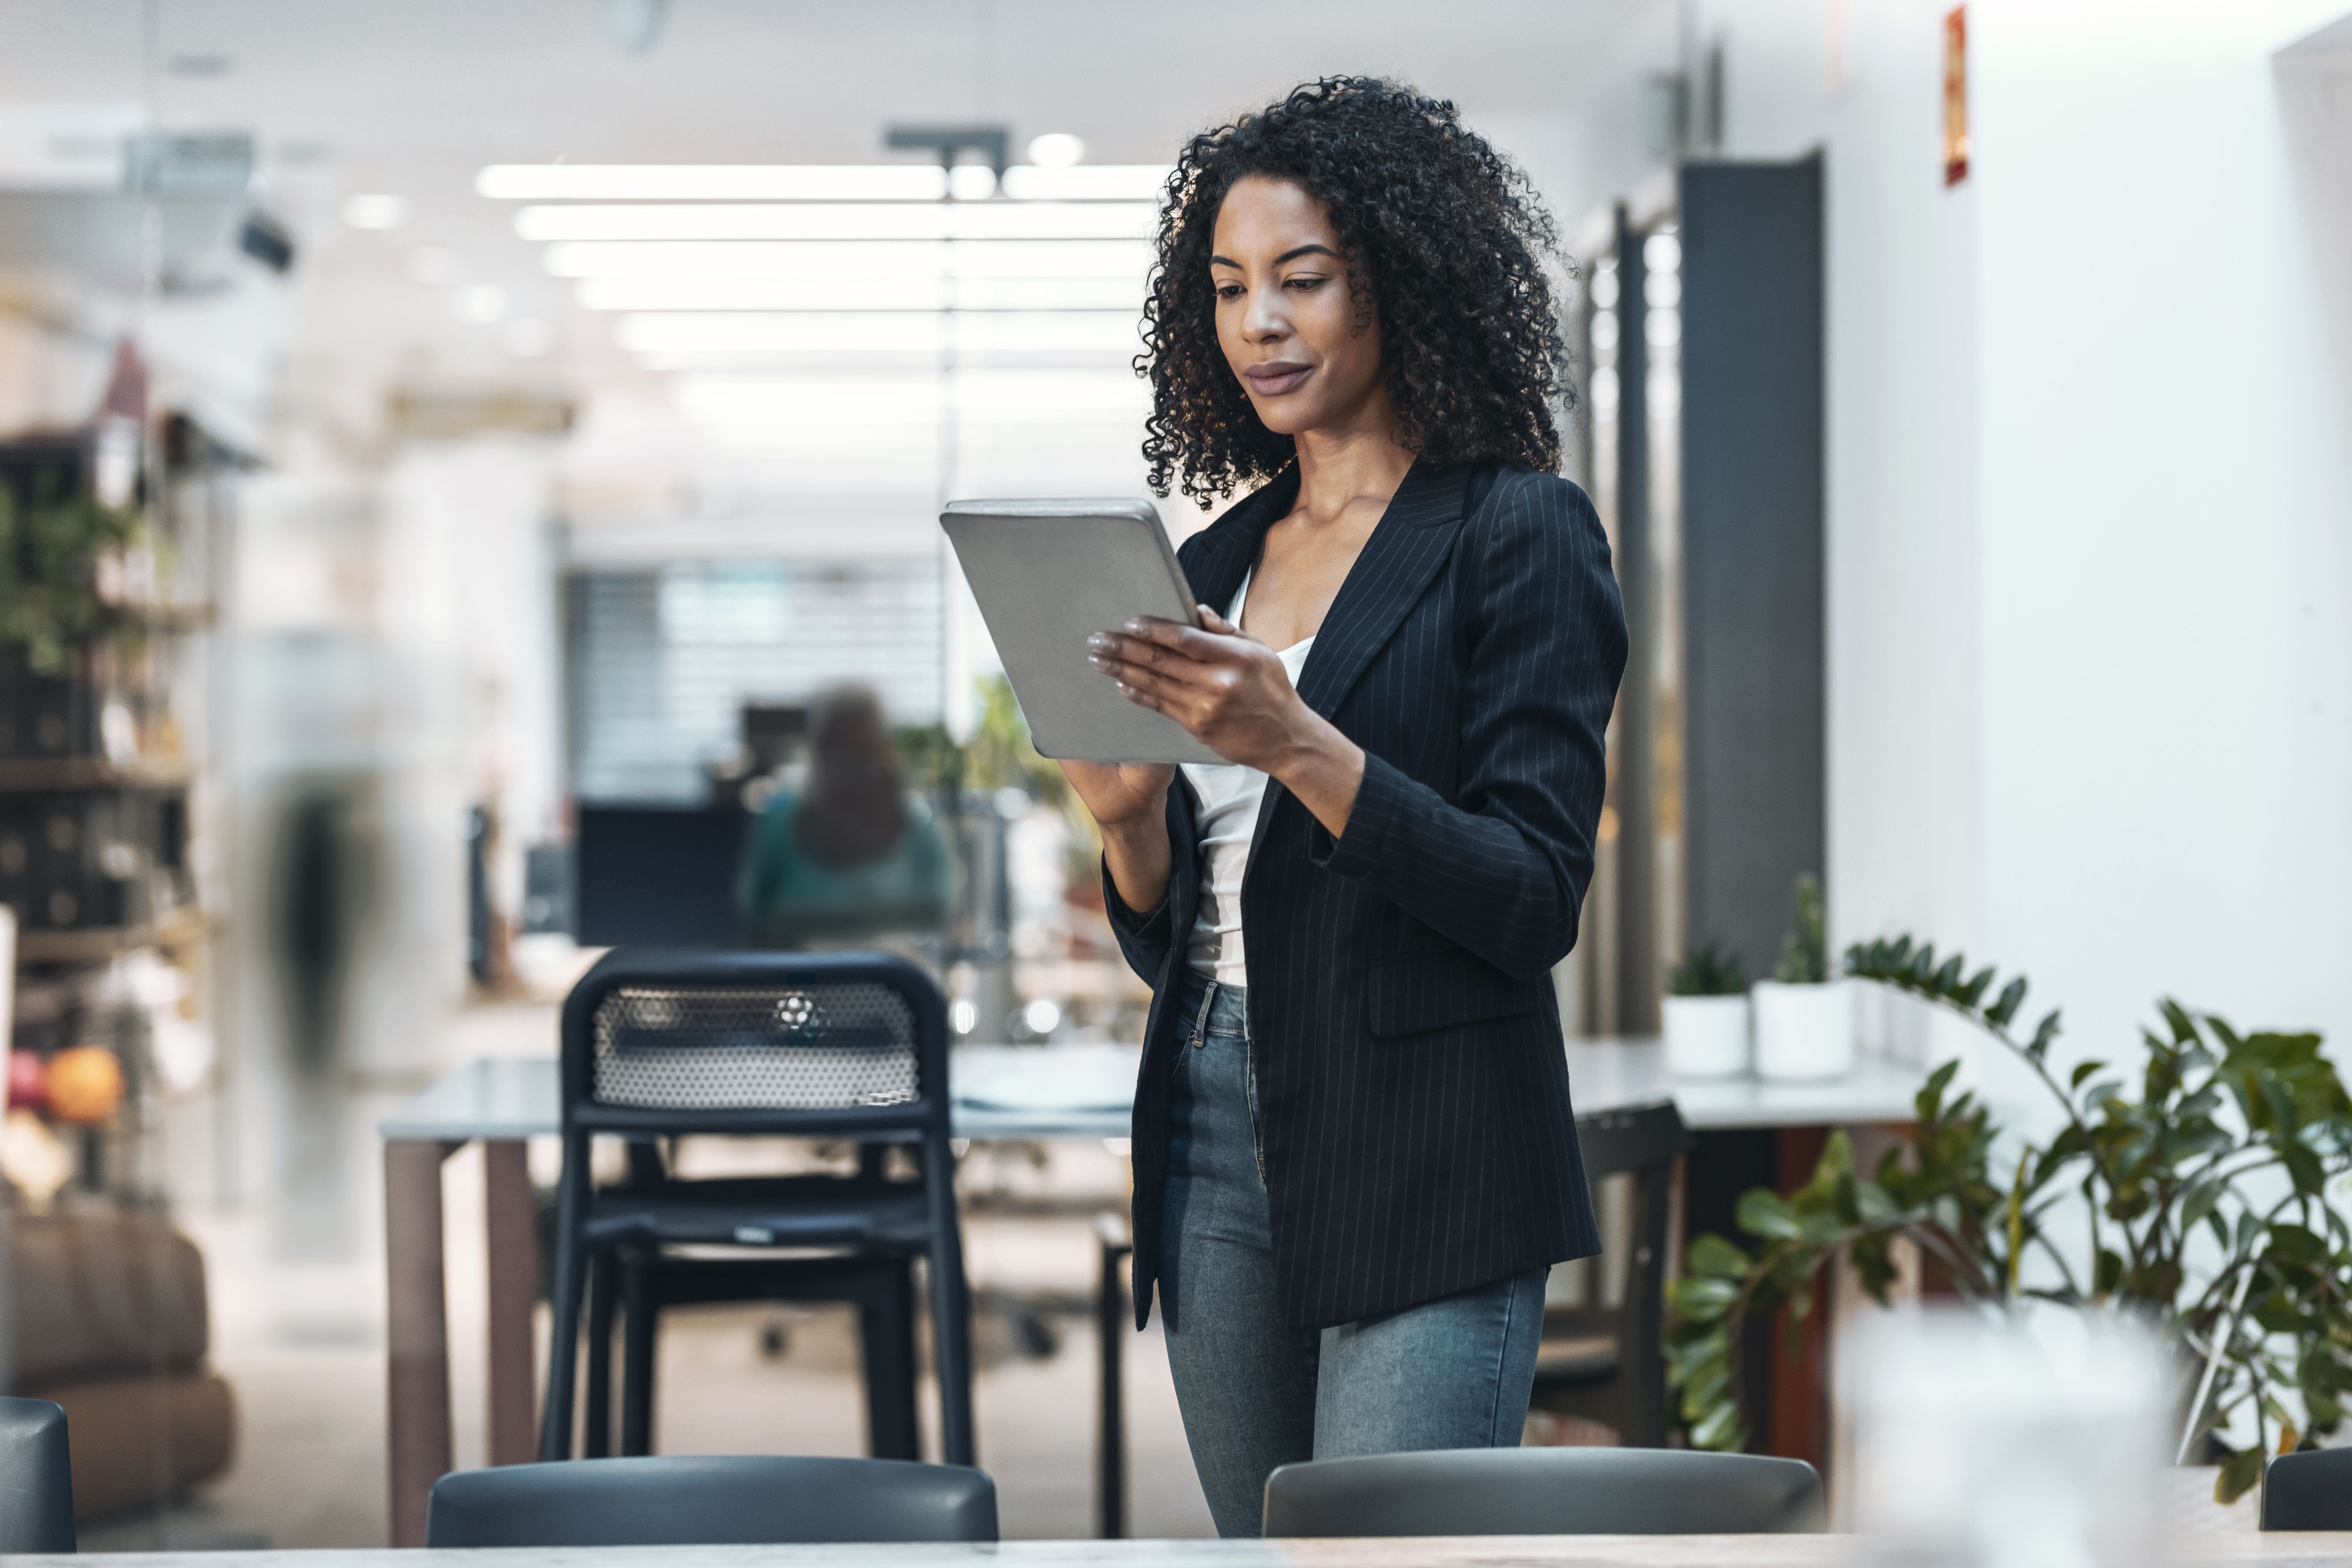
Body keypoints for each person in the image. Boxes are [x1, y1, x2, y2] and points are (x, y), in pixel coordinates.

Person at [1059, 78, 1628, 1536]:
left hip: (1430, 1136)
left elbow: (1531, 896)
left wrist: (1297, 742)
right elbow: (1183, 930)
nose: (1259, 324)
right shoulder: (1211, 558)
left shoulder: (1517, 529)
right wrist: (1128, 827)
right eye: (1229, 288)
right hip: (1209, 1110)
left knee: (1381, 1560)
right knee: (1264, 1552)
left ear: (1402, 282)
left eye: (1301, 281)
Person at [740, 686, 954, 949]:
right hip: (799, 982)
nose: (851, 763)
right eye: (839, 746)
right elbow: (755, 914)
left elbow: (939, 911)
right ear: (819, 749)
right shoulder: (780, 821)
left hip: (896, 979)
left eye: (862, 749)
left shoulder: (919, 822)